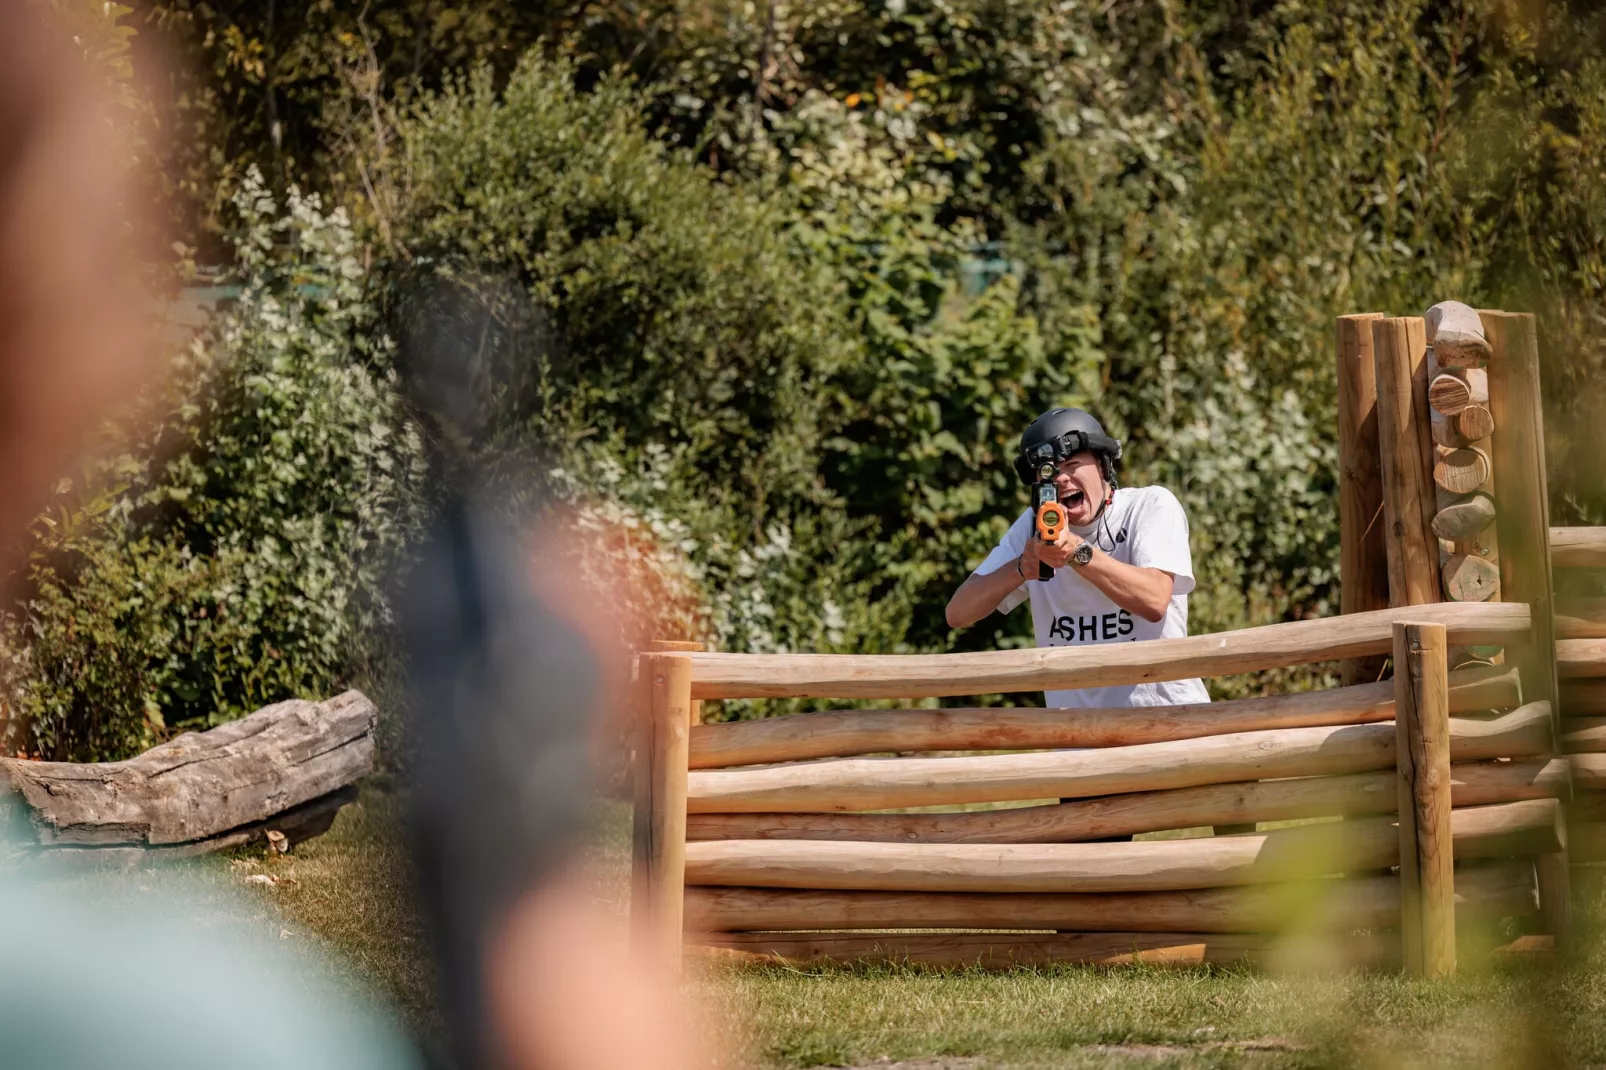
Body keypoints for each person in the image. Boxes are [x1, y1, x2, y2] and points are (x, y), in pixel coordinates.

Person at [946, 406, 1210, 709]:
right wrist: (1021, 567)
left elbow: (1153, 601)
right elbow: (958, 613)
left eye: (1072, 464)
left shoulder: (1149, 505)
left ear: (1102, 467)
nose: (1061, 479)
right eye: (1049, 473)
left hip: (1164, 720)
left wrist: (1077, 552)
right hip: (1078, 735)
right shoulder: (1033, 524)